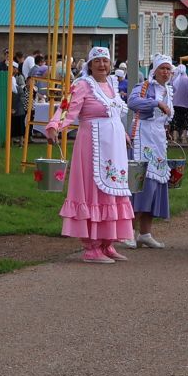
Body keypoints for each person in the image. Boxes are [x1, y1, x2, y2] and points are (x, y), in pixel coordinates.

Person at [46, 47, 137, 264]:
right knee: (93, 191)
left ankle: (107, 242)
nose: (102, 65)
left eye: (105, 61)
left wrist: (122, 133)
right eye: (97, 61)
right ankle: (91, 246)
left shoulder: (113, 84)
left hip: (114, 149)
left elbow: (113, 113)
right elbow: (67, 108)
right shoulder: (83, 85)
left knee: (112, 191)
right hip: (92, 146)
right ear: (90, 64)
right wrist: (55, 125)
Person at [126, 57, 178, 249]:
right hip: (143, 136)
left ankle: (145, 233)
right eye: (162, 68)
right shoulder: (145, 86)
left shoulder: (168, 90)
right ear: (154, 70)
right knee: (141, 184)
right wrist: (155, 103)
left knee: (155, 185)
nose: (165, 72)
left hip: (157, 139)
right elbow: (132, 102)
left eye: (168, 69)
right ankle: (128, 231)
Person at [169, 58, 188, 147]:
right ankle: (184, 137)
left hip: (175, 103)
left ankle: (175, 137)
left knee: (175, 120)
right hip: (186, 104)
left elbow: (171, 90)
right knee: (185, 121)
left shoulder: (174, 79)